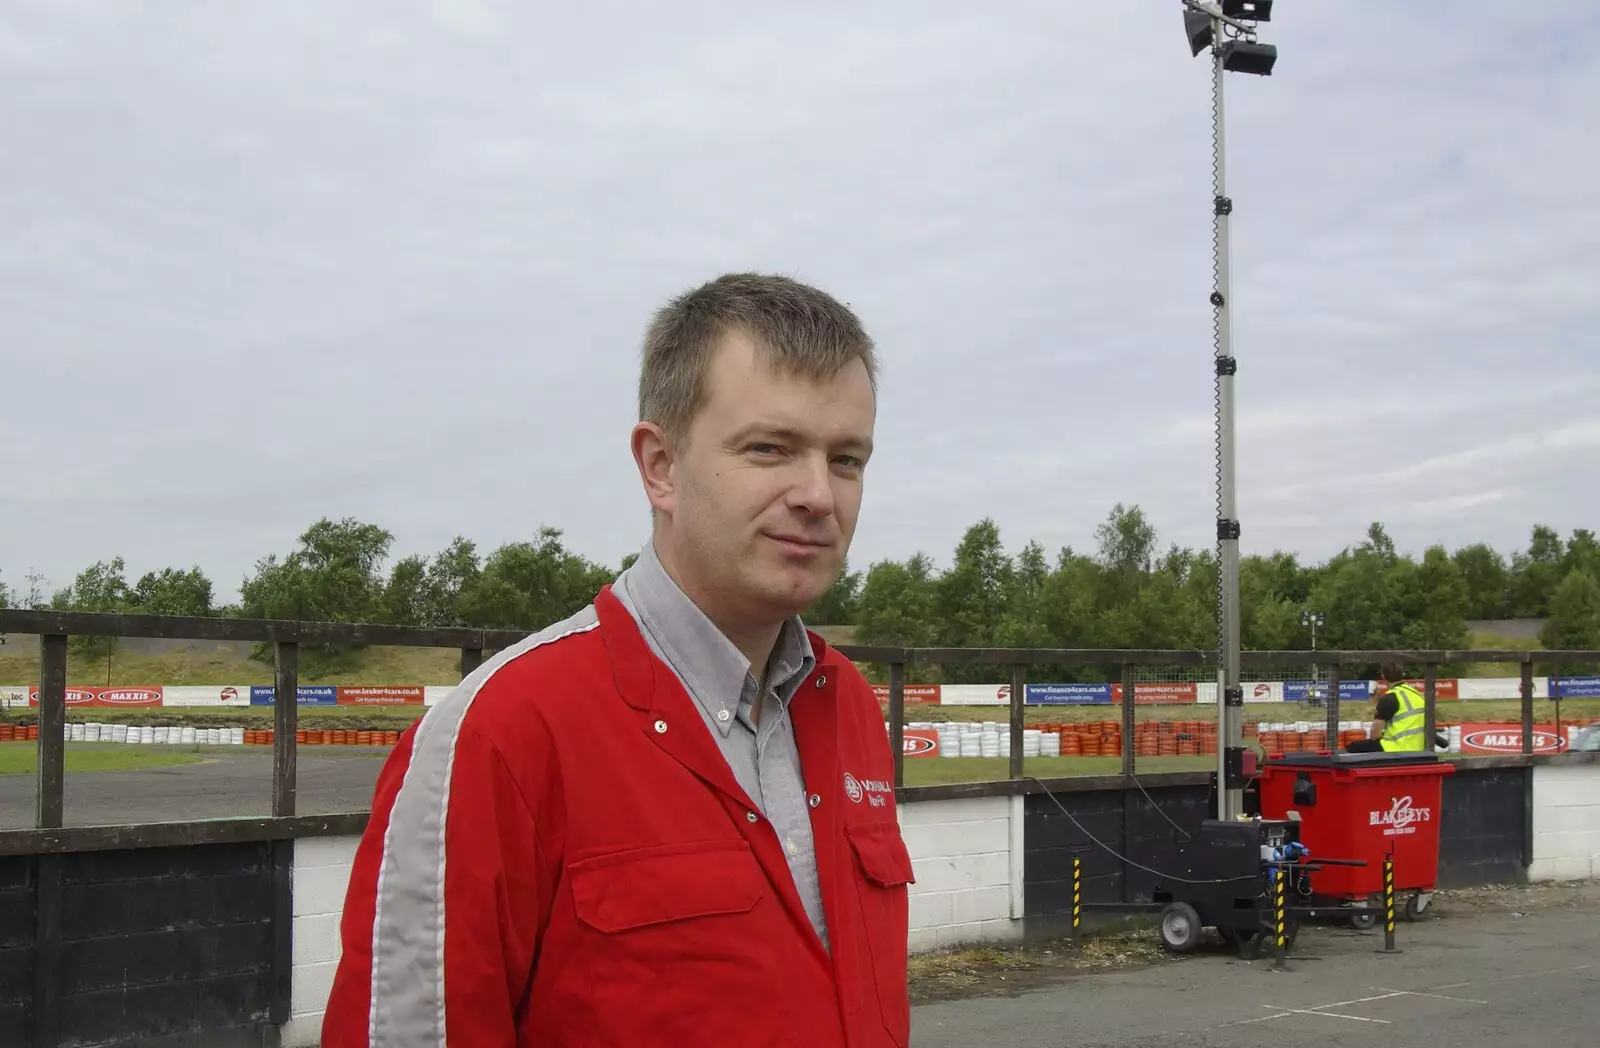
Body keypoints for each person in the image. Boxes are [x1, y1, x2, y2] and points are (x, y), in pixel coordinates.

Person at [320, 273, 914, 1048]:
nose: (817, 495)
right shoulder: (502, 732)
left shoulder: (850, 707)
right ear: (659, 466)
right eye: (769, 448)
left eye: (846, 459)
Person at [1344, 662, 1443, 753]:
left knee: (1353, 747)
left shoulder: (1390, 698)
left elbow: (1375, 735)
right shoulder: (1416, 694)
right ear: (1403, 675)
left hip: (1395, 748)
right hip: (1419, 748)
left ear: (1383, 676)